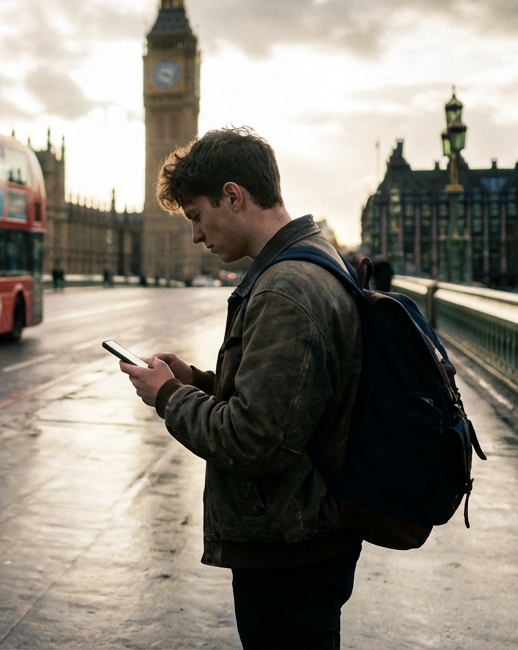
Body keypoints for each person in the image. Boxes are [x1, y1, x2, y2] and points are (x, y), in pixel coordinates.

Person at [119, 127, 363, 650]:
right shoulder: (313, 258)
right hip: (306, 539)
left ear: (233, 196)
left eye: (197, 216)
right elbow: (291, 400)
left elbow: (254, 441)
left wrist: (168, 396)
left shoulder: (285, 289)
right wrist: (197, 382)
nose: (196, 236)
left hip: (289, 552)